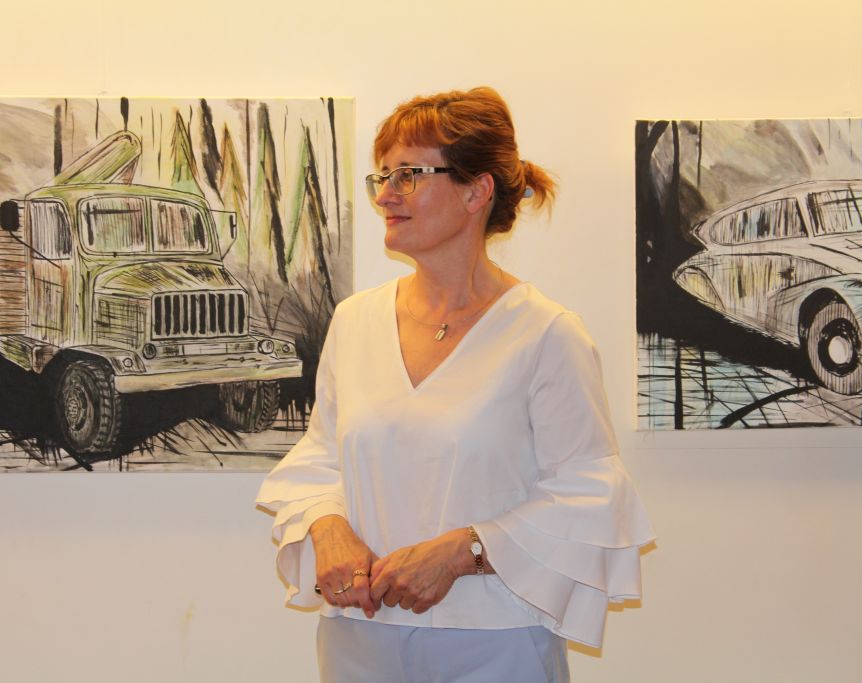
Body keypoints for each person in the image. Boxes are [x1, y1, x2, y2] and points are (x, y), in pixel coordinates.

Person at [256, 86, 654, 683]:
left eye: (409, 175)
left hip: (495, 645)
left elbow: (591, 493)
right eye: (383, 176)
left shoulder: (546, 334)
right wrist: (327, 527)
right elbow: (320, 458)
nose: (385, 194)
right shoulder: (355, 322)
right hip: (359, 638)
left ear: (476, 191)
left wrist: (464, 551)